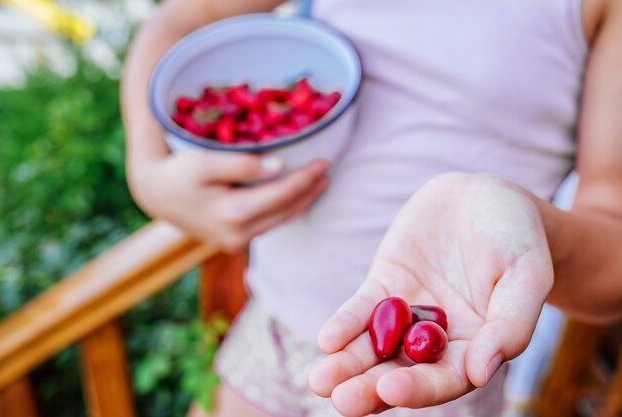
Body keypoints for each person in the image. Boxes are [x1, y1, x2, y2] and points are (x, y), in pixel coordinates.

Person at [120, 0, 622, 415]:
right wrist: (148, 174)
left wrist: (532, 226)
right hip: (272, 321)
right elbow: (182, 19)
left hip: (431, 379)